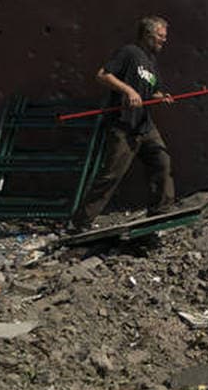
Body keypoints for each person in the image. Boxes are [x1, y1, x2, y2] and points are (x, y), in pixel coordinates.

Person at [69, 15, 176, 233]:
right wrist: (128, 90)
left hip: (144, 124)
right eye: (160, 35)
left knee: (162, 161)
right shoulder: (129, 53)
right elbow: (102, 75)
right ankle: (80, 222)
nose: (164, 40)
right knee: (112, 173)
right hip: (123, 124)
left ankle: (160, 213)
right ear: (147, 34)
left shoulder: (151, 62)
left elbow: (151, 90)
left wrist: (160, 97)